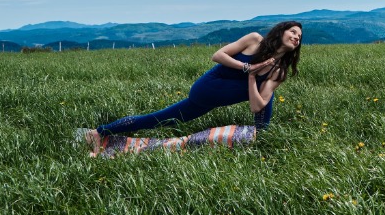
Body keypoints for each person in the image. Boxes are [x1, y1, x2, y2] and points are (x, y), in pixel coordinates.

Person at [83, 20, 302, 157]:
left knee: (159, 119)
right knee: (160, 119)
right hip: (208, 88)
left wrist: (253, 77)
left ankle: (99, 132)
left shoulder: (279, 71)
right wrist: (248, 68)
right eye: (293, 32)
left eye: (299, 37)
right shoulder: (254, 40)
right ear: (281, 31)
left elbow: (256, 106)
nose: (296, 37)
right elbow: (218, 55)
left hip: (224, 95)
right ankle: (98, 132)